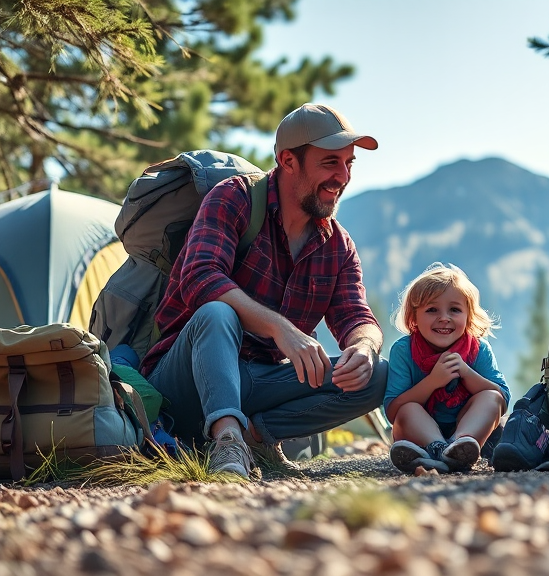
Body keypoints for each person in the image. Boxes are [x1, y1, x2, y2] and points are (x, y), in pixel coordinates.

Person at [141, 103, 387, 479]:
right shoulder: (233, 198)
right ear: (288, 160)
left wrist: (363, 348)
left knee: (379, 376)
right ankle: (226, 442)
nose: (343, 176)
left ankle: (254, 436)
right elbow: (201, 278)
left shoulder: (338, 245)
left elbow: (357, 316)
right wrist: (281, 329)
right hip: (187, 378)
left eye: (349, 163)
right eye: (330, 163)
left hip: (259, 381)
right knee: (216, 311)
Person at [383, 263, 510, 473]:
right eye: (432, 310)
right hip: (418, 432)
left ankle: (459, 447)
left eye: (455, 309)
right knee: (408, 408)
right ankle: (440, 449)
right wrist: (433, 382)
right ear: (413, 318)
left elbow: (502, 398)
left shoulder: (478, 349)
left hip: (470, 431)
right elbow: (394, 410)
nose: (444, 318)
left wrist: (466, 372)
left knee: (491, 397)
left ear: (468, 316)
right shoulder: (403, 350)